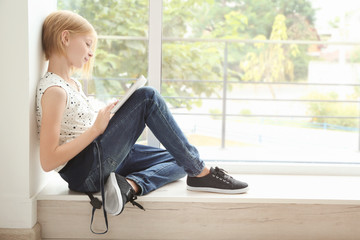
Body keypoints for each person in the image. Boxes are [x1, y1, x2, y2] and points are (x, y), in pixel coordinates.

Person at [37, 10, 248, 218]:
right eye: (87, 43)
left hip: (98, 159)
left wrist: (107, 121)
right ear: (65, 37)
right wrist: (95, 130)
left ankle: (130, 186)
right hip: (85, 172)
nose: (91, 52)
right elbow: (48, 160)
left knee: (180, 157)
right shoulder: (55, 90)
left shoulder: (71, 84)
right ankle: (202, 174)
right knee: (147, 97)